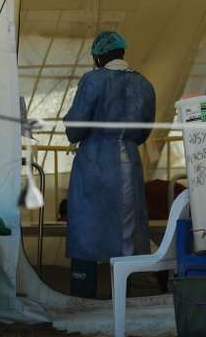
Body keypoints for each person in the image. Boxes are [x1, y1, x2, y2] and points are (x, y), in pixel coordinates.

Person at [63, 31, 156, 299]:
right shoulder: (144, 85)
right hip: (129, 162)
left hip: (94, 164)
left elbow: (75, 129)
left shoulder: (92, 80)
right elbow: (143, 131)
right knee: (127, 233)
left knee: (85, 231)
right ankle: (123, 300)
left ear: (98, 55)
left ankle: (82, 297)